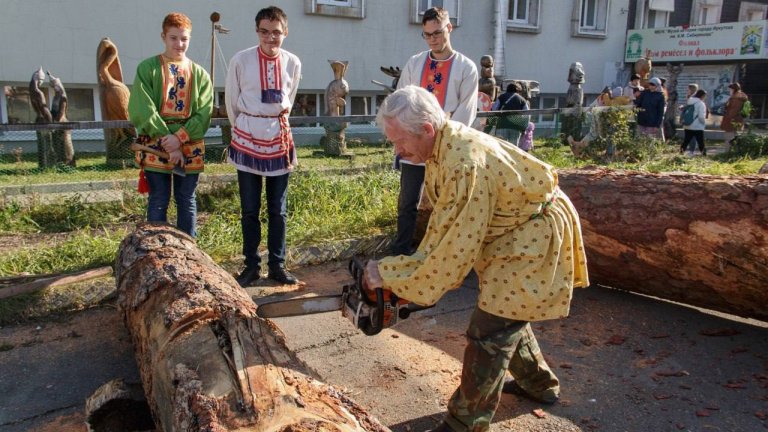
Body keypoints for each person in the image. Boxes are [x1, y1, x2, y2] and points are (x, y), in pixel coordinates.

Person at [366, 85, 589, 432]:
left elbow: (453, 252)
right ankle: (539, 384)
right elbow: (443, 227)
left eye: (400, 142)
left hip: (532, 232)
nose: (398, 151)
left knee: (490, 329)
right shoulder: (441, 148)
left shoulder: (464, 161)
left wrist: (393, 275)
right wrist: (399, 269)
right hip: (513, 232)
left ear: (426, 129)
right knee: (506, 312)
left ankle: (464, 422)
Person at [392, 6, 478, 256]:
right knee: (408, 201)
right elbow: (401, 99)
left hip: (446, 146)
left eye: (437, 33)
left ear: (449, 28)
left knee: (447, 202)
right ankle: (401, 250)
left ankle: (443, 253)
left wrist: (446, 141)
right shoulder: (415, 63)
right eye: (427, 35)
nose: (433, 39)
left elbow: (466, 111)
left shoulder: (466, 67)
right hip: (414, 143)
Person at [225, 6, 302, 286]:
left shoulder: (293, 62)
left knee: (277, 209)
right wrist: (245, 127)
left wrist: (271, 122)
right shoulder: (240, 60)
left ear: (285, 32)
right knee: (249, 208)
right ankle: (251, 266)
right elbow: (232, 101)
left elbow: (289, 100)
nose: (271, 38)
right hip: (247, 136)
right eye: (265, 32)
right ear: (257, 31)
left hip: (278, 137)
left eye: (277, 32)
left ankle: (278, 265)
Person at [128, 12, 213, 238]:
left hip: (189, 145)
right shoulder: (148, 69)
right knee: (159, 197)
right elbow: (142, 107)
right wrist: (168, 141)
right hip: (157, 143)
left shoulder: (201, 75)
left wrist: (180, 139)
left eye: (184, 38)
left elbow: (204, 113)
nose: (179, 44)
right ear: (163, 36)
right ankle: (156, 251)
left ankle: (189, 250)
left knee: (186, 198)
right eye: (174, 38)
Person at [484, 81, 529, 145]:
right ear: (517, 90)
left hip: (502, 125)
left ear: (507, 89)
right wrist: (524, 128)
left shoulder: (501, 97)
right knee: (513, 148)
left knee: (501, 146)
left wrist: (490, 123)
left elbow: (494, 109)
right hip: (516, 127)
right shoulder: (522, 100)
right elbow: (526, 115)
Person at [720, 82, 749, 151]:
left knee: (729, 137)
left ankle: (727, 153)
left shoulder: (734, 98)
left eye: (730, 89)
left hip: (731, 120)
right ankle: (736, 152)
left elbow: (732, 110)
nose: (729, 91)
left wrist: (727, 118)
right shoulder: (743, 96)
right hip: (739, 119)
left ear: (733, 89)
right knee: (736, 137)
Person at [680, 89, 708, 156]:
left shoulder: (689, 101)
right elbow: (701, 117)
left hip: (687, 124)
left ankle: (681, 153)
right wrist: (704, 123)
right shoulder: (701, 104)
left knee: (686, 140)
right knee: (700, 141)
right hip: (697, 126)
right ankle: (704, 154)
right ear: (702, 96)